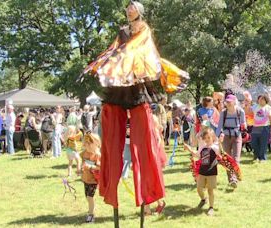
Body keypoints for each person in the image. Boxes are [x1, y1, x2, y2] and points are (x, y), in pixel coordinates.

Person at [82, 1, 188, 225]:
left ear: (139, 11)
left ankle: (148, 196)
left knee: (144, 144)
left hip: (137, 82)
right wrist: (107, 63)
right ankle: (112, 191)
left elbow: (144, 51)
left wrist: (127, 59)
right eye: (127, 8)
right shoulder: (122, 31)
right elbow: (114, 50)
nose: (129, 11)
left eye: (132, 8)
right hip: (118, 86)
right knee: (112, 139)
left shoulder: (145, 31)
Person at [184, 128, 221, 216]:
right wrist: (189, 148)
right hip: (202, 172)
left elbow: (221, 154)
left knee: (210, 190)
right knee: (199, 188)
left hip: (211, 173)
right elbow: (197, 155)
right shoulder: (203, 148)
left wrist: (220, 143)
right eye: (205, 138)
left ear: (212, 138)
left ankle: (211, 207)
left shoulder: (215, 148)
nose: (207, 140)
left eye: (209, 137)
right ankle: (203, 199)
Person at [215, 94, 246, 187]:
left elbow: (243, 123)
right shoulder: (223, 113)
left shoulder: (240, 111)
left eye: (230, 101)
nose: (228, 103)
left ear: (234, 102)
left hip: (237, 136)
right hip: (226, 137)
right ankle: (231, 179)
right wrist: (217, 138)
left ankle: (234, 178)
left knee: (236, 158)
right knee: (227, 159)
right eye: (227, 101)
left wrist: (244, 126)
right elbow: (219, 126)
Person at [81, 133, 101, 223]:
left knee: (90, 197)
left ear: (96, 144)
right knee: (87, 196)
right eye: (85, 144)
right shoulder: (84, 153)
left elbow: (100, 167)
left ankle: (91, 215)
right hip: (85, 178)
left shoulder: (97, 155)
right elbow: (82, 161)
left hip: (93, 179)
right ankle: (90, 210)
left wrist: (91, 167)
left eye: (89, 144)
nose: (86, 146)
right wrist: (80, 168)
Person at [251, 95, 271, 162]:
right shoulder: (255, 106)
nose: (260, 101)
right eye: (259, 99)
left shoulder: (268, 108)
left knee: (263, 143)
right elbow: (249, 112)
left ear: (266, 101)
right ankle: (256, 156)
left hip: (265, 127)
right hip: (255, 127)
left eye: (262, 100)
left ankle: (262, 158)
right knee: (253, 143)